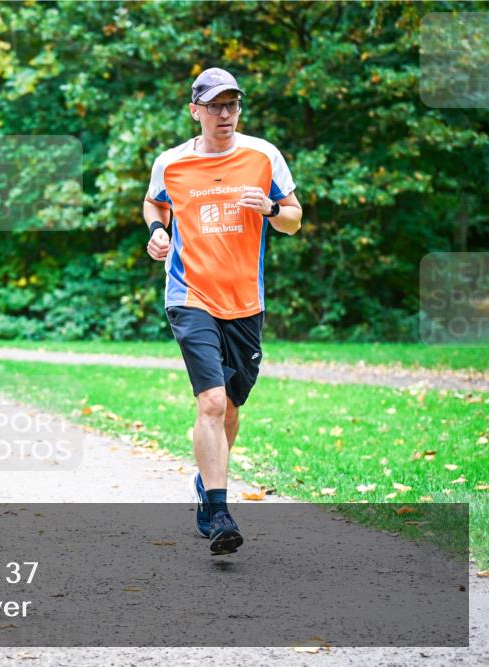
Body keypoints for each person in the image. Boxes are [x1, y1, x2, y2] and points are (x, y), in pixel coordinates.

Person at [143, 68, 303, 555]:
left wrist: (272, 210)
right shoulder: (171, 163)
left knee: (231, 406)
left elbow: (295, 220)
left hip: (245, 302)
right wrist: (156, 231)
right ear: (196, 110)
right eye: (214, 105)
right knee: (210, 402)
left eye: (231, 104)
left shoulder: (263, 156)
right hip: (190, 295)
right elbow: (155, 204)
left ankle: (204, 480)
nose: (225, 114)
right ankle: (218, 510)